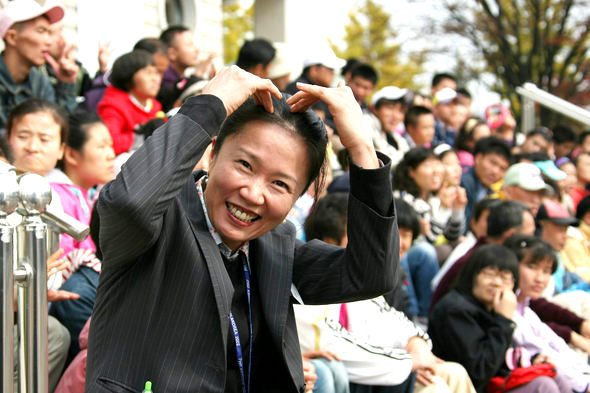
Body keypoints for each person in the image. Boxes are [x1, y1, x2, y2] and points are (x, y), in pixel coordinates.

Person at [85, 66, 399, 393]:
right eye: (245, 165)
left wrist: (362, 147)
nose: (253, 193)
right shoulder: (160, 219)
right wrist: (209, 103)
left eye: (279, 184)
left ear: (298, 196)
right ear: (214, 151)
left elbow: (372, 273)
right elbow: (127, 204)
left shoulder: (275, 246)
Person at [429, 243, 571, 393]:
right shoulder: (455, 310)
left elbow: (500, 361)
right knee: (543, 386)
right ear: (472, 275)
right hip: (465, 387)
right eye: (490, 274)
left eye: (505, 278)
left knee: (556, 376)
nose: (497, 283)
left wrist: (533, 360)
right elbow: (479, 372)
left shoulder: (490, 307)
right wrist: (504, 321)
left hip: (493, 384)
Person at [48, 110, 115, 362]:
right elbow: (61, 261)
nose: (111, 154)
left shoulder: (85, 193)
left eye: (110, 145)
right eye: (101, 146)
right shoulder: (56, 195)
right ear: (71, 154)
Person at [505, 235, 590, 393]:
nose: (540, 278)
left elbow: (557, 345)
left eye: (546, 271)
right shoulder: (507, 310)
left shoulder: (527, 311)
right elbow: (542, 354)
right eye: (532, 267)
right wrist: (585, 386)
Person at [430, 201, 536, 309]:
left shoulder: (499, 260)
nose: (532, 242)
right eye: (529, 235)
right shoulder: (474, 262)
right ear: (510, 235)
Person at [0, 0, 78, 127]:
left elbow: (58, 131)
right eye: (41, 31)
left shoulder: (40, 82)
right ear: (12, 37)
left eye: (49, 33)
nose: (49, 42)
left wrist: (66, 84)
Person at [96, 50, 164, 156]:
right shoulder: (113, 105)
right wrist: (141, 135)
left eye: (156, 72)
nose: (156, 78)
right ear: (128, 76)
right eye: (148, 72)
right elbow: (110, 142)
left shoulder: (154, 105)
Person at [461, 136, 511, 230]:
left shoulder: (491, 191)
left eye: (502, 168)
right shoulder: (465, 182)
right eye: (493, 163)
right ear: (478, 158)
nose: (495, 171)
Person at [365, 86, 410, 166]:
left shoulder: (395, 137)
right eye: (390, 108)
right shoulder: (365, 125)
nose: (395, 115)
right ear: (375, 109)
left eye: (400, 110)